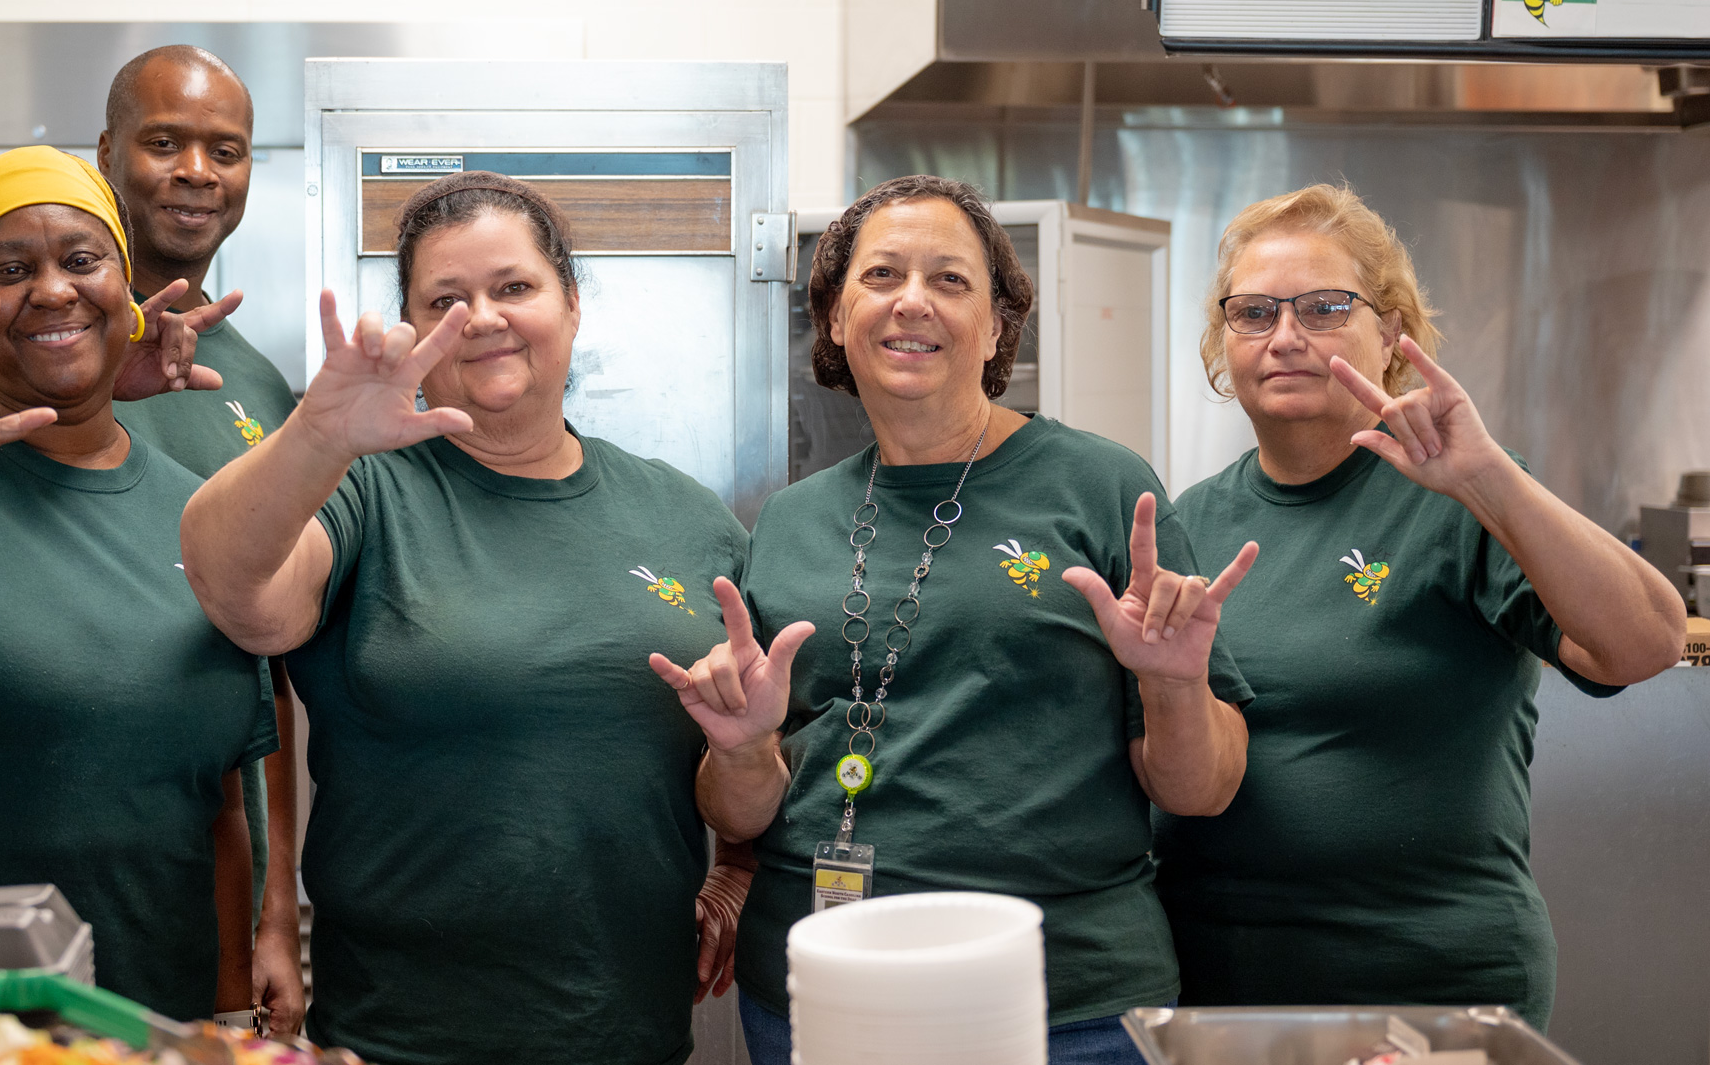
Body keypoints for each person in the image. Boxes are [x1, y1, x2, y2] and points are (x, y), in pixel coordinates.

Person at [649, 174, 1259, 1065]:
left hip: (1062, 1004)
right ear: (832, 316)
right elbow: (747, 801)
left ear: (998, 325)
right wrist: (740, 750)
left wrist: (1173, 685)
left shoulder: (1099, 488)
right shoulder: (789, 520)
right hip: (823, 995)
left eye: (951, 280)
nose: (911, 303)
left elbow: (1202, 788)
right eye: (882, 275)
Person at [179, 171, 757, 1065]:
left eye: (513, 287)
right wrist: (318, 437)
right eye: (446, 298)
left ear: (571, 303)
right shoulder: (367, 489)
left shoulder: (689, 517)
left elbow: (748, 742)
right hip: (400, 1035)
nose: (482, 317)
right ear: (413, 328)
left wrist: (743, 864)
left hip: (628, 1030)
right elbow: (240, 597)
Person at [0, 46, 306, 1032]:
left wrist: (275, 910)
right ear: (108, 153)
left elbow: (266, 665)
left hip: (184, 883)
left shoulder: (251, 383)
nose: (196, 173)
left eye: (224, 149)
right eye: (163, 144)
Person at [1152, 183, 1686, 1030]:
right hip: (1221, 986)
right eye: (1253, 313)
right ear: (1226, 341)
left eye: (1325, 308)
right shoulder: (1189, 522)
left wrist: (1490, 480)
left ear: (1392, 333)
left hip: (1435, 985)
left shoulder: (1457, 492)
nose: (1285, 336)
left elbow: (1644, 644)